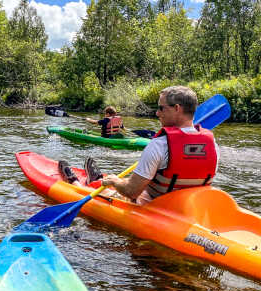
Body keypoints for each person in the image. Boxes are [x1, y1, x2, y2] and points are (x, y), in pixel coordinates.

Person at [58, 86, 219, 205]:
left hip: (152, 206)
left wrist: (114, 181)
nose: (157, 113)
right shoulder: (213, 145)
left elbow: (131, 191)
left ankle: (74, 181)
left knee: (107, 190)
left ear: (177, 108)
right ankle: (96, 178)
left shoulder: (159, 145)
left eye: (161, 108)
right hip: (189, 208)